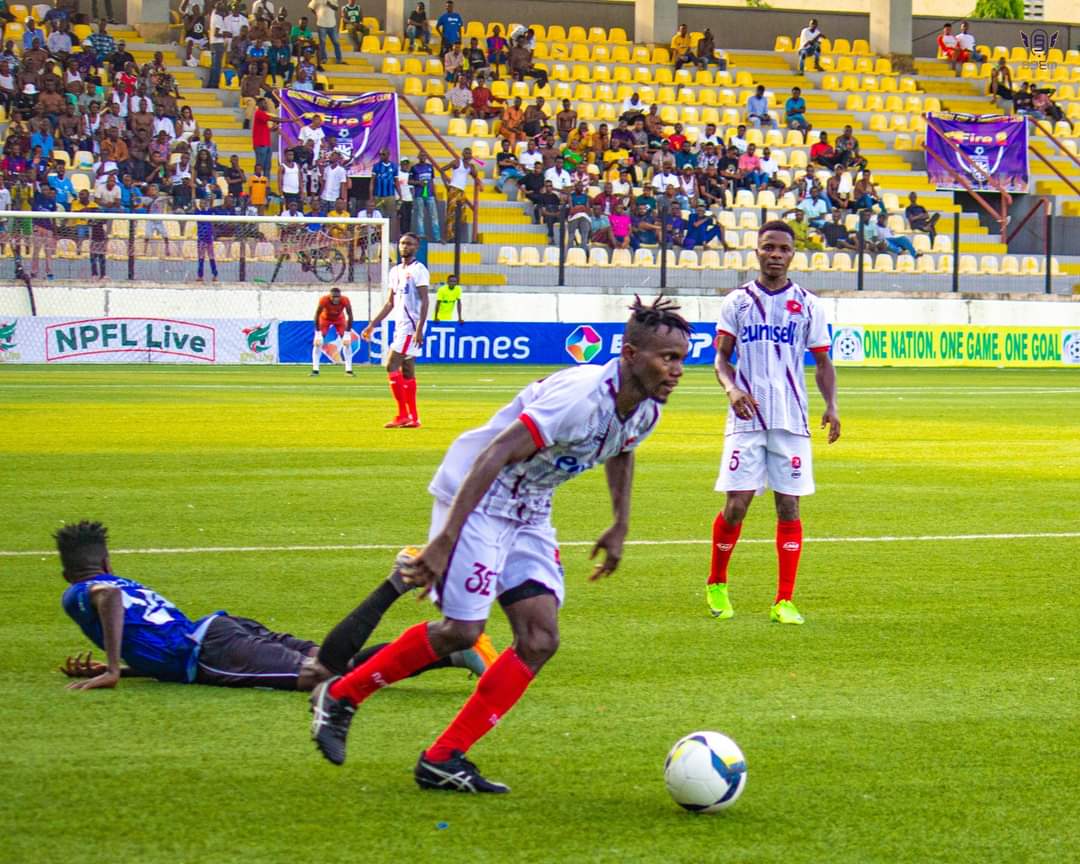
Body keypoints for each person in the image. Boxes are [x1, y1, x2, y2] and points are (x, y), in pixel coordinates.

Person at [307, 296, 692, 793]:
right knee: (462, 632)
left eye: (681, 358)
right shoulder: (580, 396)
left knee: (539, 639)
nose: (676, 370)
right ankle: (341, 694)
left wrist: (619, 523)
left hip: (530, 507)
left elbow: (622, 450)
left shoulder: (647, 408)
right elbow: (494, 453)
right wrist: (445, 538)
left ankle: (444, 757)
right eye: (667, 358)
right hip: (480, 493)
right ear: (630, 353)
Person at [55, 521, 493, 692]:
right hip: (219, 632)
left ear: (69, 573)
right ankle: (447, 652)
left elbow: (106, 599)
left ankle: (396, 583)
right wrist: (122, 669)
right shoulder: (123, 580)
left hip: (210, 651)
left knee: (323, 676)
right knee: (338, 664)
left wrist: (112, 670)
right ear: (107, 561)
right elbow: (151, 644)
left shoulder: (81, 592)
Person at [707, 221, 841, 625]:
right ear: (757, 252)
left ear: (793, 254)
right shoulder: (737, 302)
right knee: (737, 504)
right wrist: (731, 389)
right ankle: (717, 582)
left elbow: (822, 361)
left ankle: (784, 600)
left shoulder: (809, 305)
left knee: (789, 505)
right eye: (769, 247)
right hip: (746, 417)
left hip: (791, 418)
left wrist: (831, 404)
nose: (776, 254)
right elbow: (721, 359)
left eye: (783, 248)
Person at [361, 232, 430, 428]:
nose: (404, 247)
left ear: (416, 247)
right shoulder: (395, 271)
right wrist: (373, 323)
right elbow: (390, 303)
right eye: (401, 243)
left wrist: (419, 329)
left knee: (390, 364)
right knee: (407, 371)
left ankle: (402, 415)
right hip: (400, 325)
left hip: (411, 326)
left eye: (409, 244)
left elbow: (425, 300)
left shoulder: (419, 270)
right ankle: (414, 418)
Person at [311, 285, 355, 376]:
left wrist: (347, 334)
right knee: (318, 343)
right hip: (325, 319)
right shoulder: (323, 300)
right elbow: (316, 315)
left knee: (347, 343)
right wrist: (318, 333)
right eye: (334, 297)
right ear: (330, 296)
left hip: (339, 319)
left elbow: (350, 316)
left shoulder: (345, 300)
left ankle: (349, 370)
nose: (336, 299)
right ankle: (315, 370)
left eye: (338, 297)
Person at [442, 147, 477, 242]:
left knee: (462, 215)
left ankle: (454, 235)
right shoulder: (457, 162)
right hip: (454, 189)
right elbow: (442, 170)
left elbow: (475, 174)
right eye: (466, 152)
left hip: (461, 191)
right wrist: (446, 185)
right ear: (462, 154)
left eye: (469, 153)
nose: (467, 154)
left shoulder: (470, 166)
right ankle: (446, 237)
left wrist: (472, 163)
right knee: (450, 213)